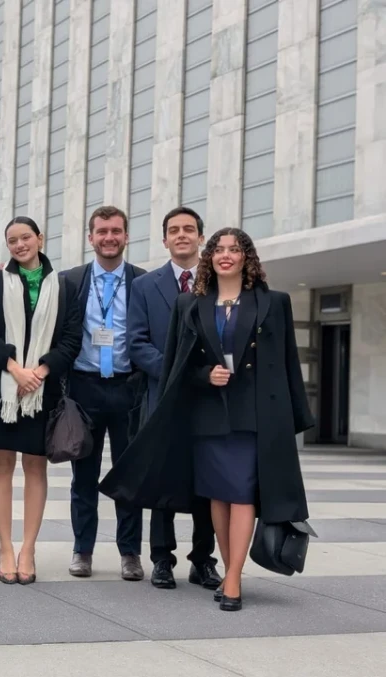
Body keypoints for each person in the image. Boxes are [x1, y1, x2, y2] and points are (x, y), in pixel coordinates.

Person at [100, 227, 315, 611]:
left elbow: (287, 365)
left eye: (235, 249)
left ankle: (232, 578)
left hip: (254, 415)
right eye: (219, 249)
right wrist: (205, 375)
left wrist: (295, 418)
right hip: (208, 414)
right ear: (210, 257)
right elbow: (181, 364)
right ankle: (231, 568)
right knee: (218, 494)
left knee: (243, 493)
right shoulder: (191, 304)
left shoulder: (274, 302)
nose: (226, 255)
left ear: (246, 257)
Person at [0, 216, 82, 585]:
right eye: (12, 240)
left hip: (43, 389)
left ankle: (29, 548)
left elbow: (70, 339)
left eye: (25, 238)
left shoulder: (64, 285)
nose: (19, 245)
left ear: (40, 238)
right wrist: (14, 369)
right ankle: (5, 547)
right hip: (2, 387)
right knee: (1, 466)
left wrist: (39, 373)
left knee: (36, 468)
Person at [127, 207, 221, 591]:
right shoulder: (145, 286)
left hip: (208, 400)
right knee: (163, 480)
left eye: (189, 229)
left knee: (207, 481)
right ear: (164, 239)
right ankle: (162, 560)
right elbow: (136, 343)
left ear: (201, 237)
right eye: (173, 230)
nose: (181, 235)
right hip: (162, 396)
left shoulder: (220, 283)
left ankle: (203, 560)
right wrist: (176, 371)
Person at [62, 206, 146, 581]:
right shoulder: (70, 281)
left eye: (116, 231)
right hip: (85, 388)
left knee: (130, 476)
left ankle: (130, 554)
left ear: (127, 236)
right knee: (84, 478)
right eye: (101, 231)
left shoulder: (143, 282)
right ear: (90, 237)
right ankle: (83, 550)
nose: (109, 237)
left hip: (129, 389)